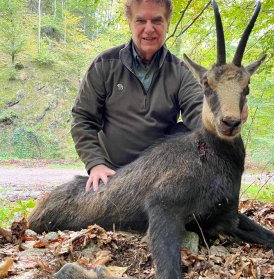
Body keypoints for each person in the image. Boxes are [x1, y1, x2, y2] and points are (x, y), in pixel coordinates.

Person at [71, 0, 248, 192]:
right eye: (140, 21)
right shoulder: (105, 65)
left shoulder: (180, 71)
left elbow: (198, 113)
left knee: (188, 133)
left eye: (157, 20)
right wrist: (95, 164)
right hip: (115, 174)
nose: (149, 29)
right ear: (130, 23)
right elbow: (83, 119)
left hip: (161, 174)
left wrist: (225, 113)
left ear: (167, 24)